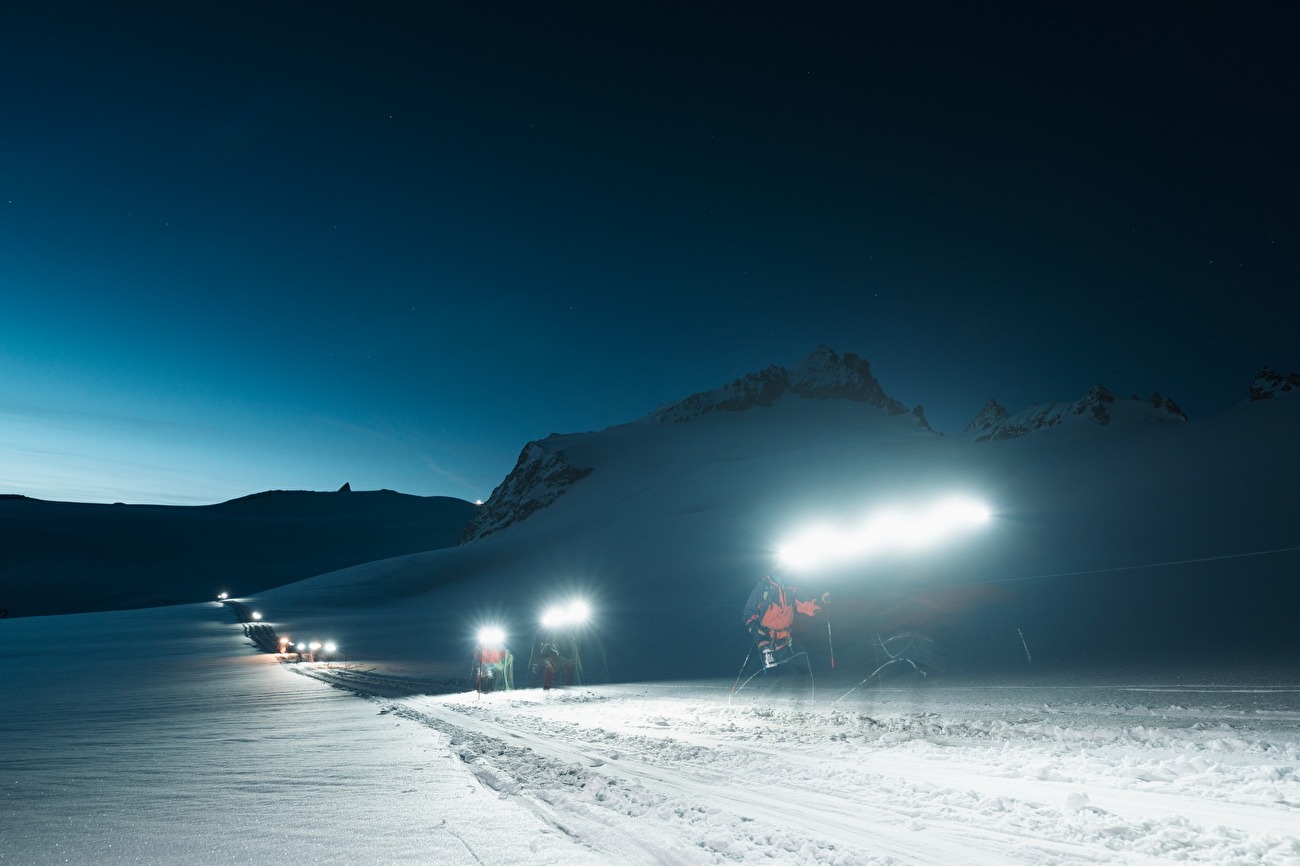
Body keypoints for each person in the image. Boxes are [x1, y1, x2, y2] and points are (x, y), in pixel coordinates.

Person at [743, 572, 828, 669]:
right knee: (770, 677)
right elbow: (749, 613)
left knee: (787, 675)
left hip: (784, 641)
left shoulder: (791, 589)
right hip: (766, 642)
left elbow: (806, 605)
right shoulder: (763, 587)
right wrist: (757, 633)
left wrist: (821, 602)